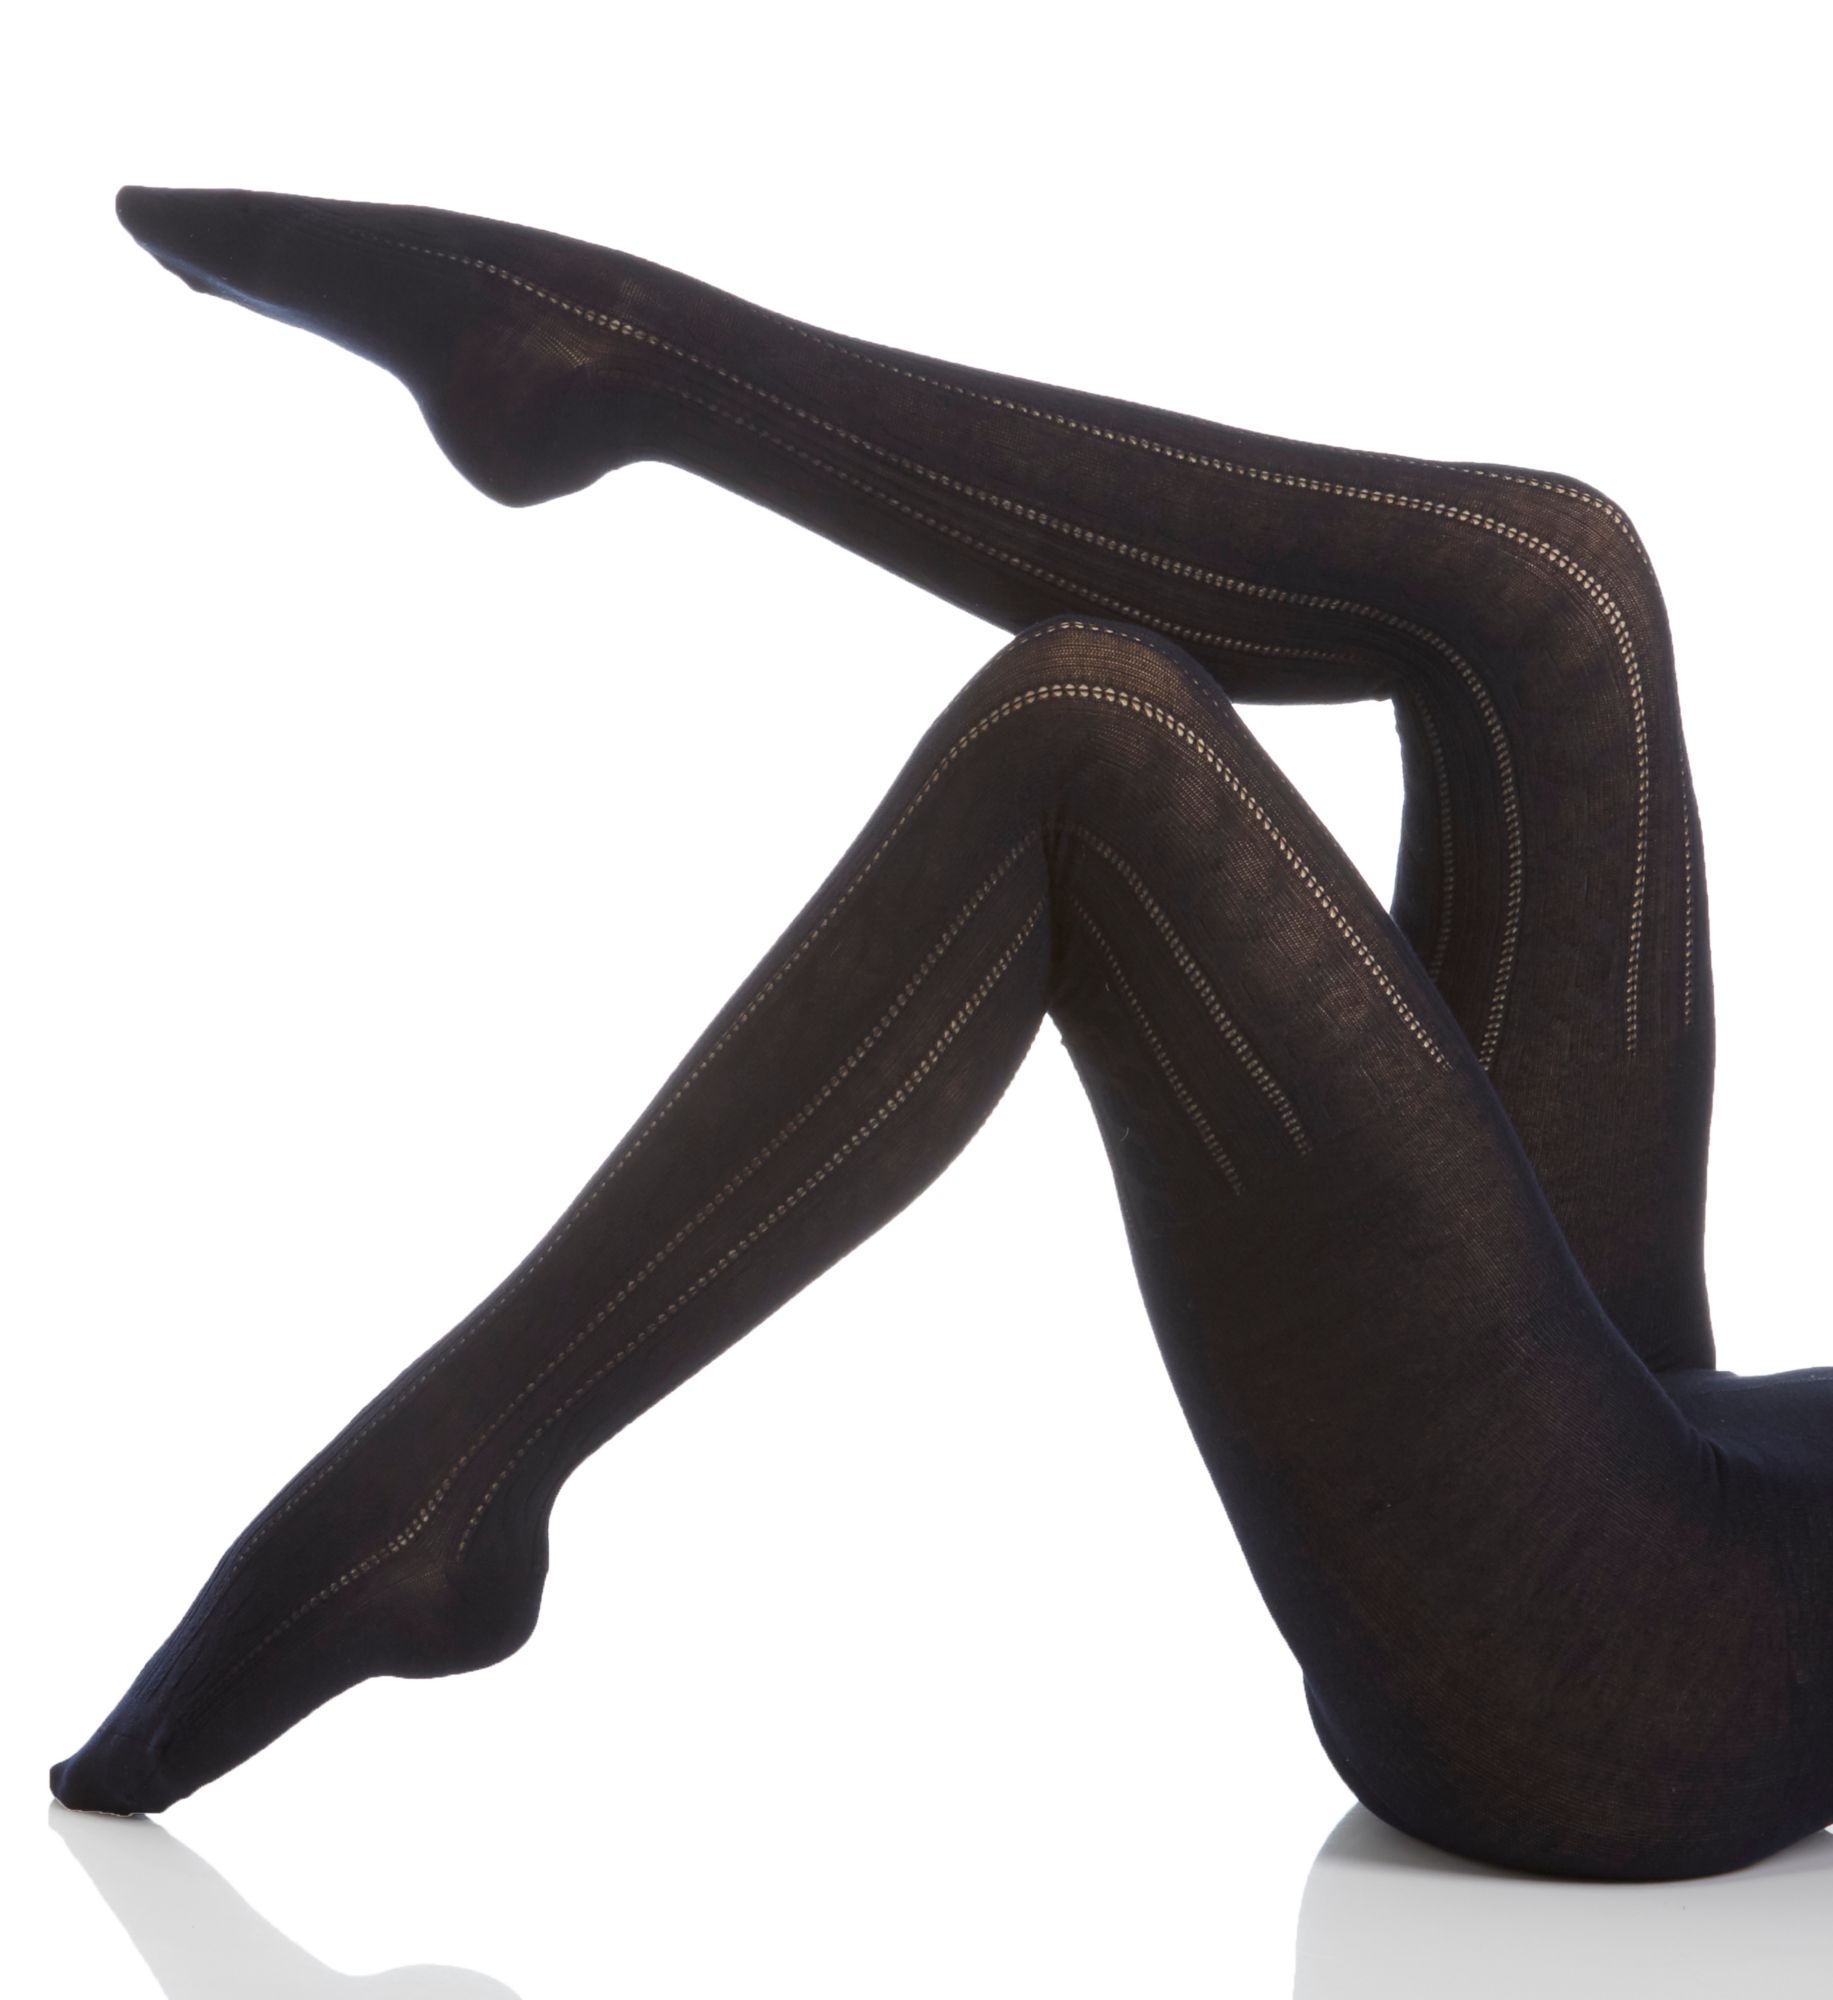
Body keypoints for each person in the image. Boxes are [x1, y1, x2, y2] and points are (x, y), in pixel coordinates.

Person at [50, 187, 1832, 1880]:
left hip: (1623, 1662)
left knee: (1092, 740)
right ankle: (615, 362)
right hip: (1684, 1451)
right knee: (1551, 590)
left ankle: (445, 1492)